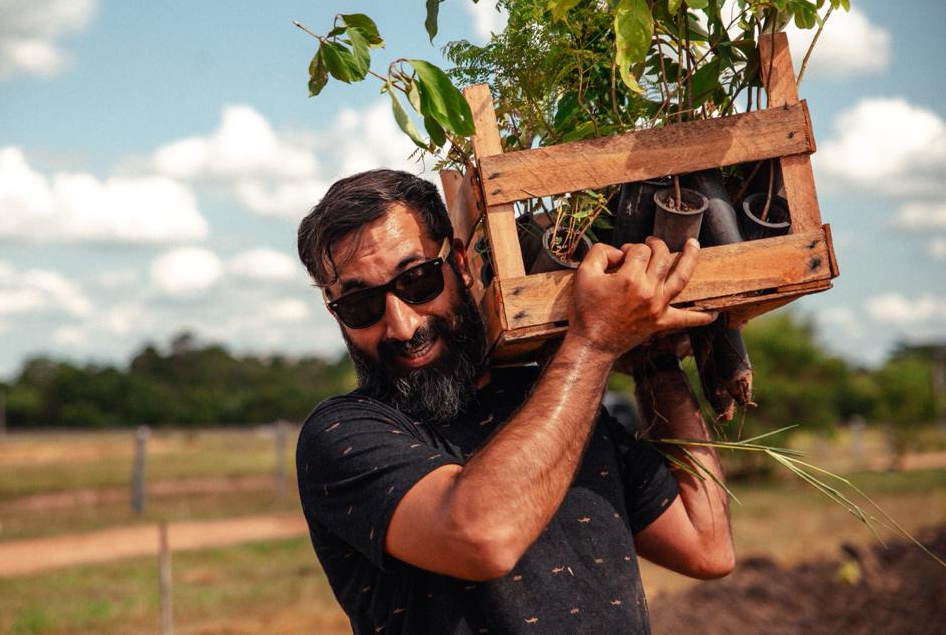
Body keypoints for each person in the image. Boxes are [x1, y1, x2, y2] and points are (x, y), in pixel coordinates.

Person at [295, 169, 735, 634]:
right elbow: (482, 537)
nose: (403, 326)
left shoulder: (557, 398)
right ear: (336, 315)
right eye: (360, 305)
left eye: (418, 281)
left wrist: (655, 357)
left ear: (461, 264)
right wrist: (595, 343)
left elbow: (707, 546)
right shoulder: (343, 434)